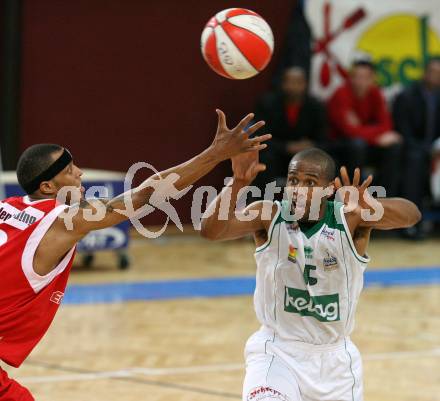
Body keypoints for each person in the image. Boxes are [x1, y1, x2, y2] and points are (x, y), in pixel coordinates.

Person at [0, 110, 270, 400]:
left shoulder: (8, 205)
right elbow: (144, 196)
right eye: (68, 170)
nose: (79, 173)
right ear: (47, 187)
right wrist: (215, 154)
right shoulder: (60, 221)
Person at [201, 147, 420, 401]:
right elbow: (211, 230)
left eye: (310, 183)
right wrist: (238, 183)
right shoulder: (269, 214)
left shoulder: (349, 220)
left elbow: (411, 215)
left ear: (328, 190)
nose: (297, 189)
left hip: (334, 362)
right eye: (293, 180)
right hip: (277, 351)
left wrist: (371, 205)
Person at [327, 60, 402, 197]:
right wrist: (376, 136)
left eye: (365, 77)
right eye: (356, 76)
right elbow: (349, 131)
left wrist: (364, 131)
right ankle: (352, 197)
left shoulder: (376, 93)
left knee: (394, 146)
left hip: (365, 145)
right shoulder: (341, 94)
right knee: (357, 145)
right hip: (340, 145)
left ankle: (386, 198)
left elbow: (387, 126)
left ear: (372, 79)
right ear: (351, 78)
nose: (360, 81)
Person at [254, 66, 327, 189]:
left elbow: (323, 137)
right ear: (283, 83)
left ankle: (319, 202)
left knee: (326, 160)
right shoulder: (267, 103)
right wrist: (286, 147)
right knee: (264, 158)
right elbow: (261, 137)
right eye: (290, 82)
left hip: (305, 155)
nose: (293, 87)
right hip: (277, 153)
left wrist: (310, 145)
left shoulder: (316, 106)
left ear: (305, 84)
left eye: (298, 82)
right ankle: (263, 200)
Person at [393, 57, 440, 237]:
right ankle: (410, 222)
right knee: (416, 160)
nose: (436, 77)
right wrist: (426, 149)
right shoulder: (407, 95)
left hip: (434, 147)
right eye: (433, 72)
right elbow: (402, 129)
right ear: (425, 73)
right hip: (411, 147)